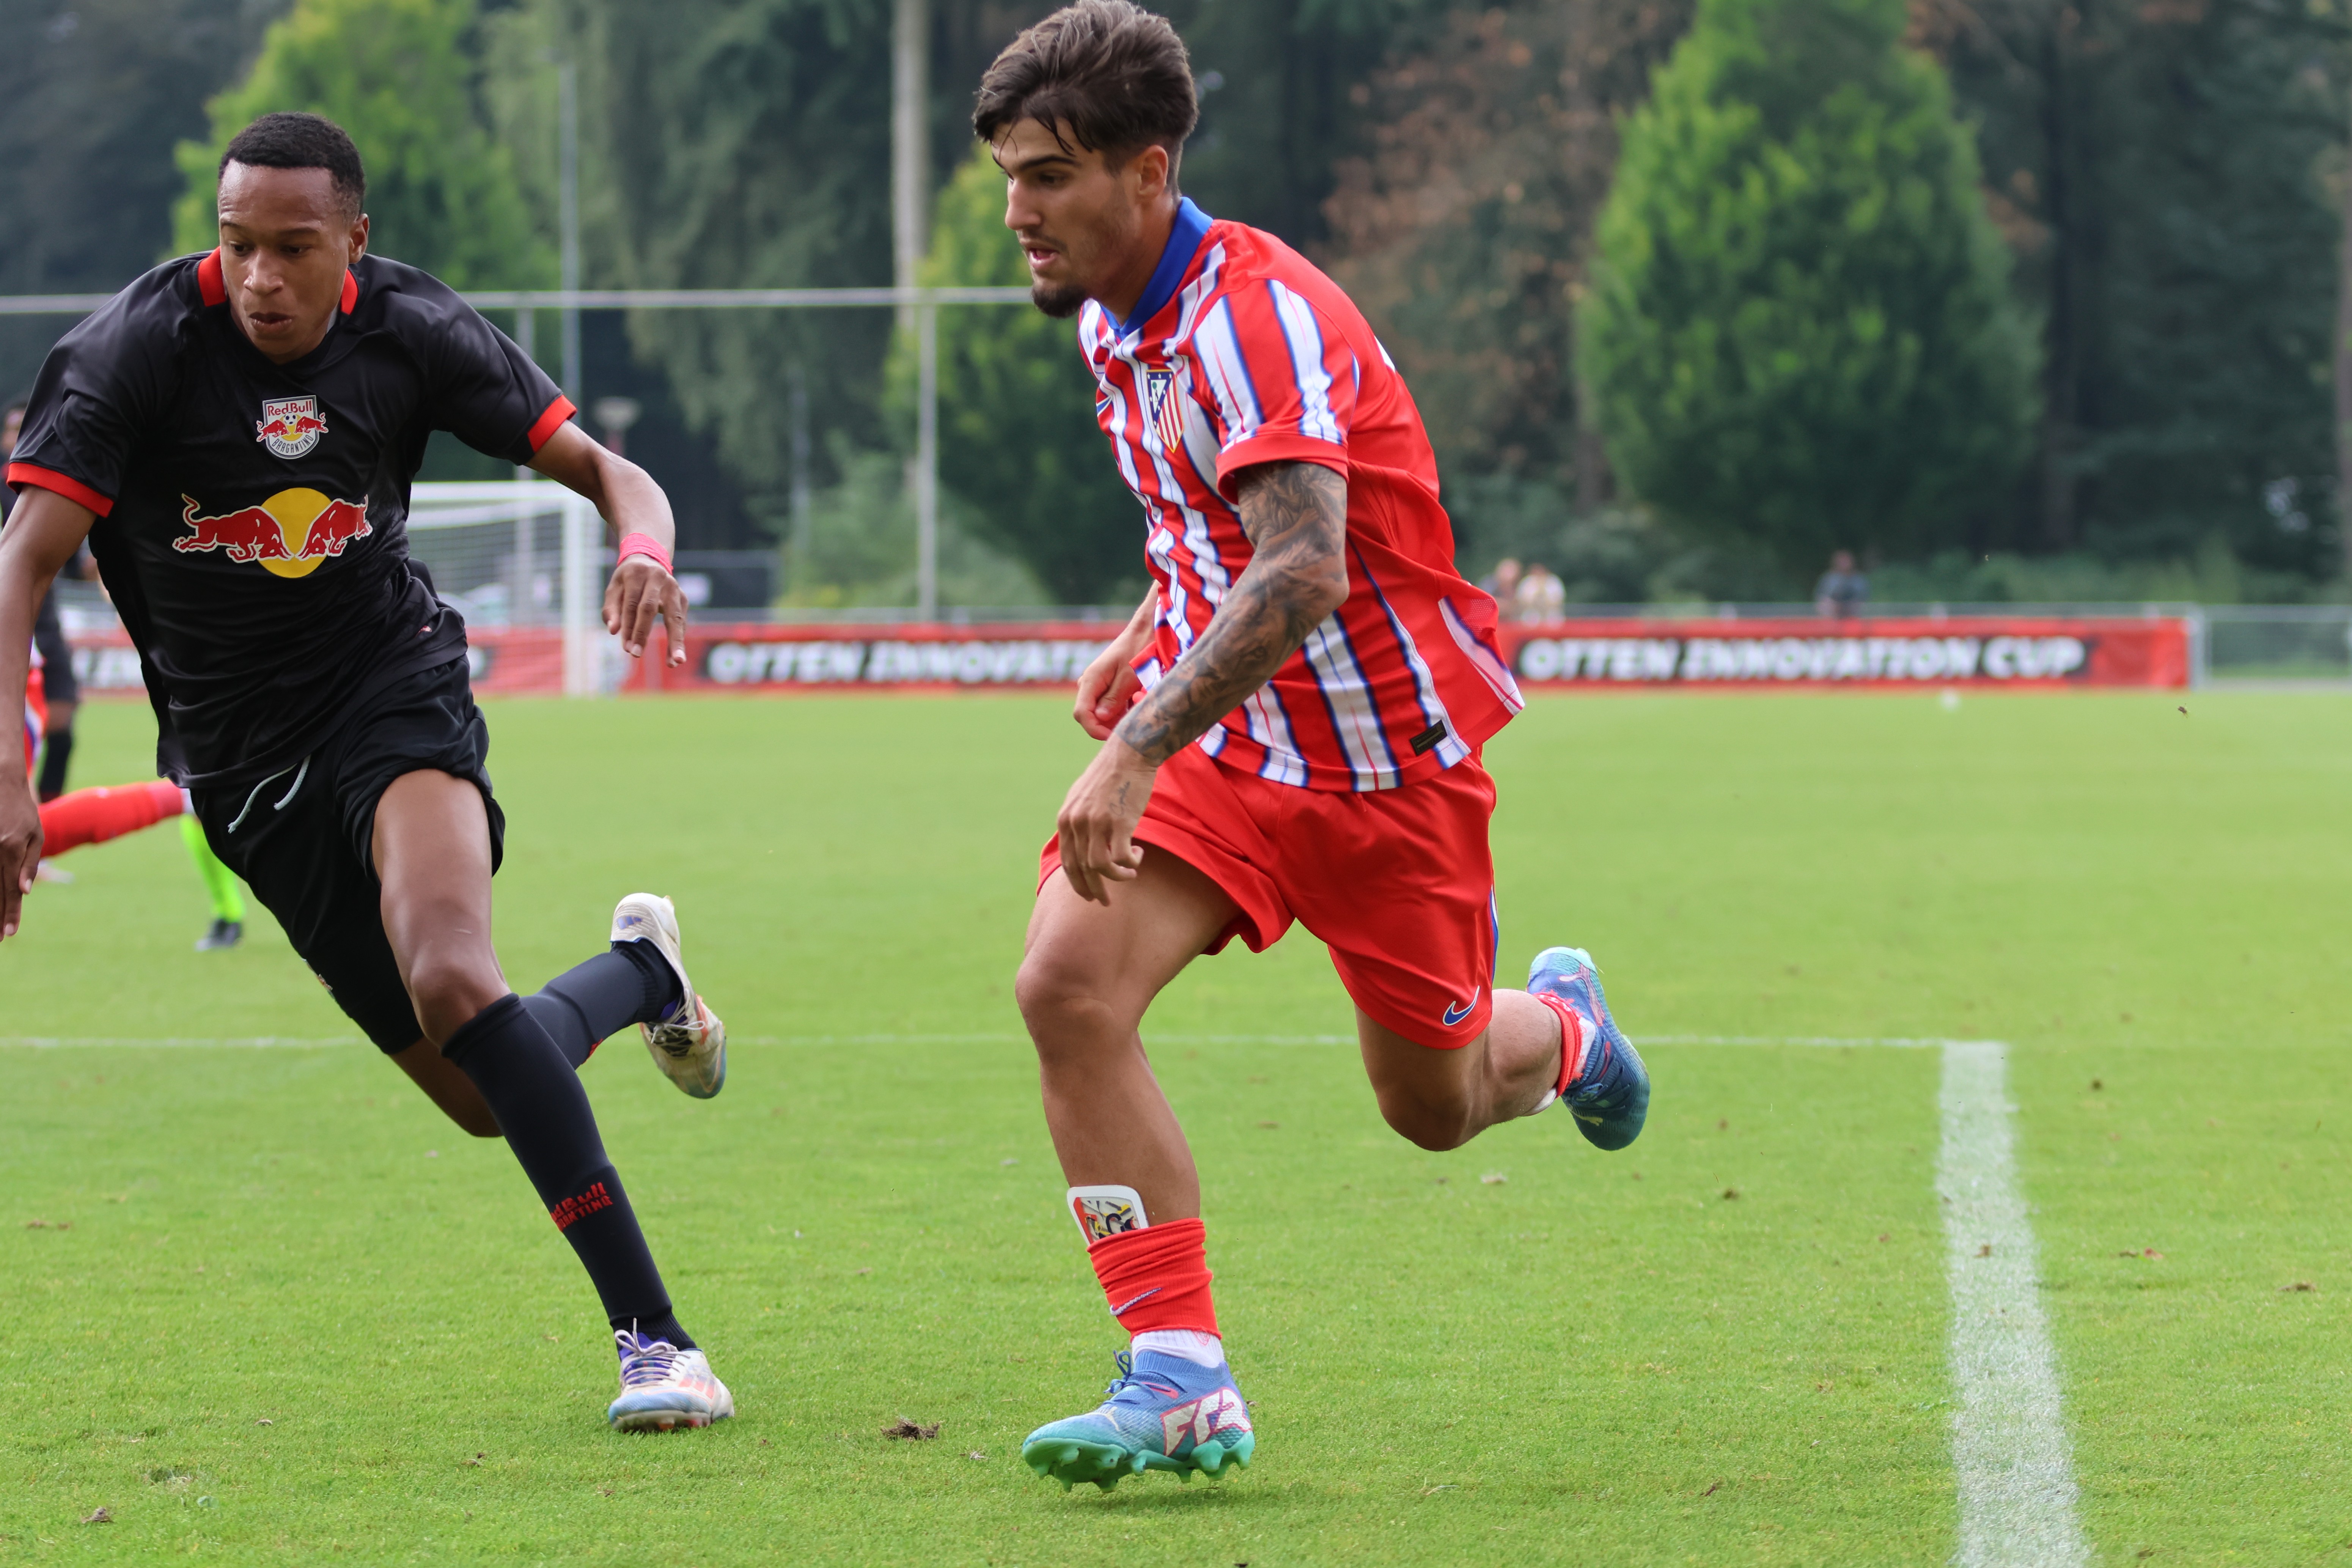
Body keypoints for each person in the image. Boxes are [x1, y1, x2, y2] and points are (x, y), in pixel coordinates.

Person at [980, 2, 1652, 1491]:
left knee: (1434, 1104)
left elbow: (1298, 568)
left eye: (1049, 175)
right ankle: (1175, 1376)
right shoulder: (1109, 314)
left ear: (1148, 173)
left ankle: (1564, 1032)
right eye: (1011, 177)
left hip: (1383, 762)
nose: (1017, 211)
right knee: (1063, 983)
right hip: (1236, 752)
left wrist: (1134, 744)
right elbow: (1204, 525)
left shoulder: (1251, 316)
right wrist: (1143, 623)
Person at [0, 113, 734, 1434]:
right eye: (238, 247)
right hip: (237, 761)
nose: (262, 278)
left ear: (356, 241)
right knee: (479, 1094)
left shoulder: (411, 329)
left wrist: (648, 548)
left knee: (456, 973)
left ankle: (659, 1342)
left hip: (389, 683)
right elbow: (20, 564)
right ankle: (642, 973)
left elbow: (610, 472)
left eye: (294, 248)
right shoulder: (132, 353)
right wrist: (8, 757)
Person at [1815, 549, 1868, 618]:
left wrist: (1850, 605)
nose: (1844, 563)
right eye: (1842, 561)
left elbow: (1864, 599)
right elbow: (1821, 597)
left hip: (1853, 609)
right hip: (1832, 611)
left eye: (1846, 561)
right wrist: (1835, 606)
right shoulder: (1829, 579)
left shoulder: (1860, 580)